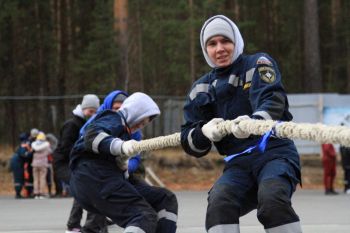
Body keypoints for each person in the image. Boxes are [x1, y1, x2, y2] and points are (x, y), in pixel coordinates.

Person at [180, 15, 302, 233]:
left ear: (236, 41)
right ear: (205, 49)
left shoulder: (257, 64)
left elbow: (272, 99)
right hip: (238, 164)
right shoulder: (200, 88)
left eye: (225, 41)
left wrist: (254, 123)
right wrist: (204, 133)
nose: (220, 49)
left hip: (274, 153)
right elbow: (190, 143)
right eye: (212, 43)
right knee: (219, 202)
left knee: (272, 200)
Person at [69, 92, 178, 233]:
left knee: (165, 198)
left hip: (103, 179)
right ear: (135, 111)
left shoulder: (127, 132)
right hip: (94, 177)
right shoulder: (114, 118)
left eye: (143, 124)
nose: (140, 125)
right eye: (141, 120)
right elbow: (92, 136)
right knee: (143, 217)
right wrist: (121, 146)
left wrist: (124, 166)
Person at [53, 94, 108, 233]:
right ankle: (77, 224)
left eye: (95, 112)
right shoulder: (72, 124)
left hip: (77, 162)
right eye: (90, 111)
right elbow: (65, 149)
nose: (92, 114)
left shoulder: (89, 124)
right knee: (84, 187)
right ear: (83, 109)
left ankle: (85, 222)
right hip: (64, 163)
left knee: (83, 189)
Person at [9, 132, 31, 199]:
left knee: (19, 177)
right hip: (17, 162)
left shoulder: (23, 143)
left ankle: (19, 192)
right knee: (18, 178)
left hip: (16, 161)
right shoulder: (25, 144)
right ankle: (18, 194)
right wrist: (30, 153)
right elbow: (23, 154)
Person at [31, 132, 52, 199]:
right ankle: (41, 193)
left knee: (35, 179)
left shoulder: (34, 144)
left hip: (35, 164)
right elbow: (50, 151)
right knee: (42, 178)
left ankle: (36, 193)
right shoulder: (46, 144)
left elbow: (32, 151)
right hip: (43, 164)